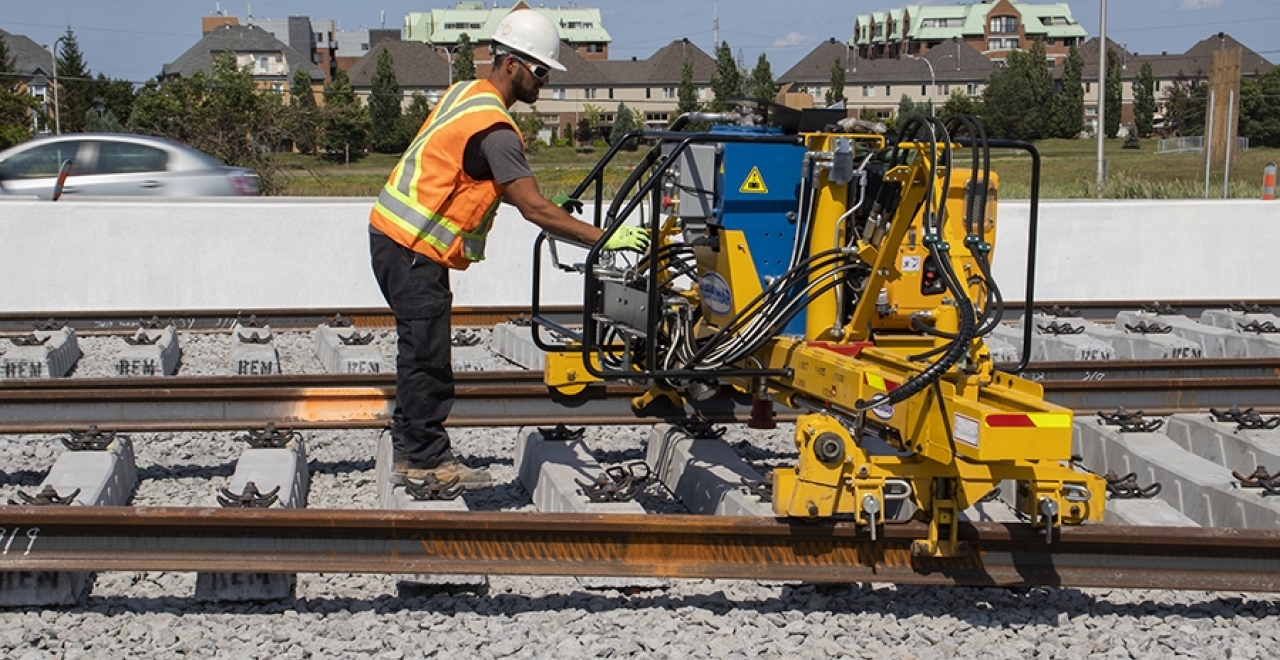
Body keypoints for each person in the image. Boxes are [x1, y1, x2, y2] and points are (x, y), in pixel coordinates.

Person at [368, 9, 648, 488]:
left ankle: (416, 447)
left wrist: (535, 199)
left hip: (395, 236)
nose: (543, 82)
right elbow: (534, 210)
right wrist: (606, 237)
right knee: (426, 357)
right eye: (540, 71)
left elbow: (470, 173)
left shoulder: (466, 94)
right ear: (512, 65)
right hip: (413, 247)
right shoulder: (496, 129)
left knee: (421, 350)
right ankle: (421, 458)